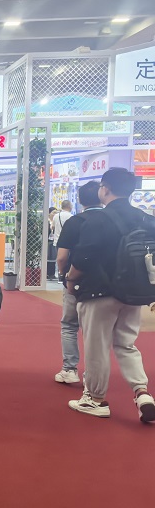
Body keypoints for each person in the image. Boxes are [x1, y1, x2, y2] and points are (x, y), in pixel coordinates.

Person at [65, 168, 155, 422]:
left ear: (104, 189)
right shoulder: (145, 218)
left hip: (99, 292)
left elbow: (83, 257)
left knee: (97, 346)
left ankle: (95, 399)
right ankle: (142, 393)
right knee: (126, 344)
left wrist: (71, 279)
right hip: (133, 292)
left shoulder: (98, 220)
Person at [53, 182, 103, 385]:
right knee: (97, 330)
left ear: (80, 200)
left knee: (69, 324)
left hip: (75, 281)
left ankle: (69, 368)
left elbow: (62, 257)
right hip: (106, 283)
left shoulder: (74, 222)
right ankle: (95, 374)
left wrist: (64, 275)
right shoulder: (110, 220)